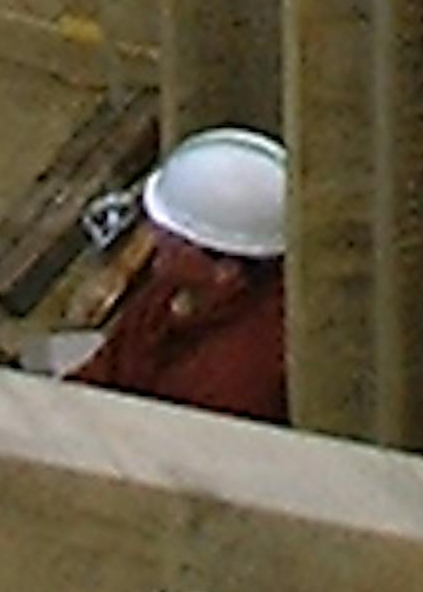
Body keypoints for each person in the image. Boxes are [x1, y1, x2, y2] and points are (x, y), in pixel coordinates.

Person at [70, 124, 290, 422]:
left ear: (225, 270)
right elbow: (99, 377)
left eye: (171, 236)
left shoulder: (238, 372)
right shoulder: (166, 296)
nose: (152, 240)